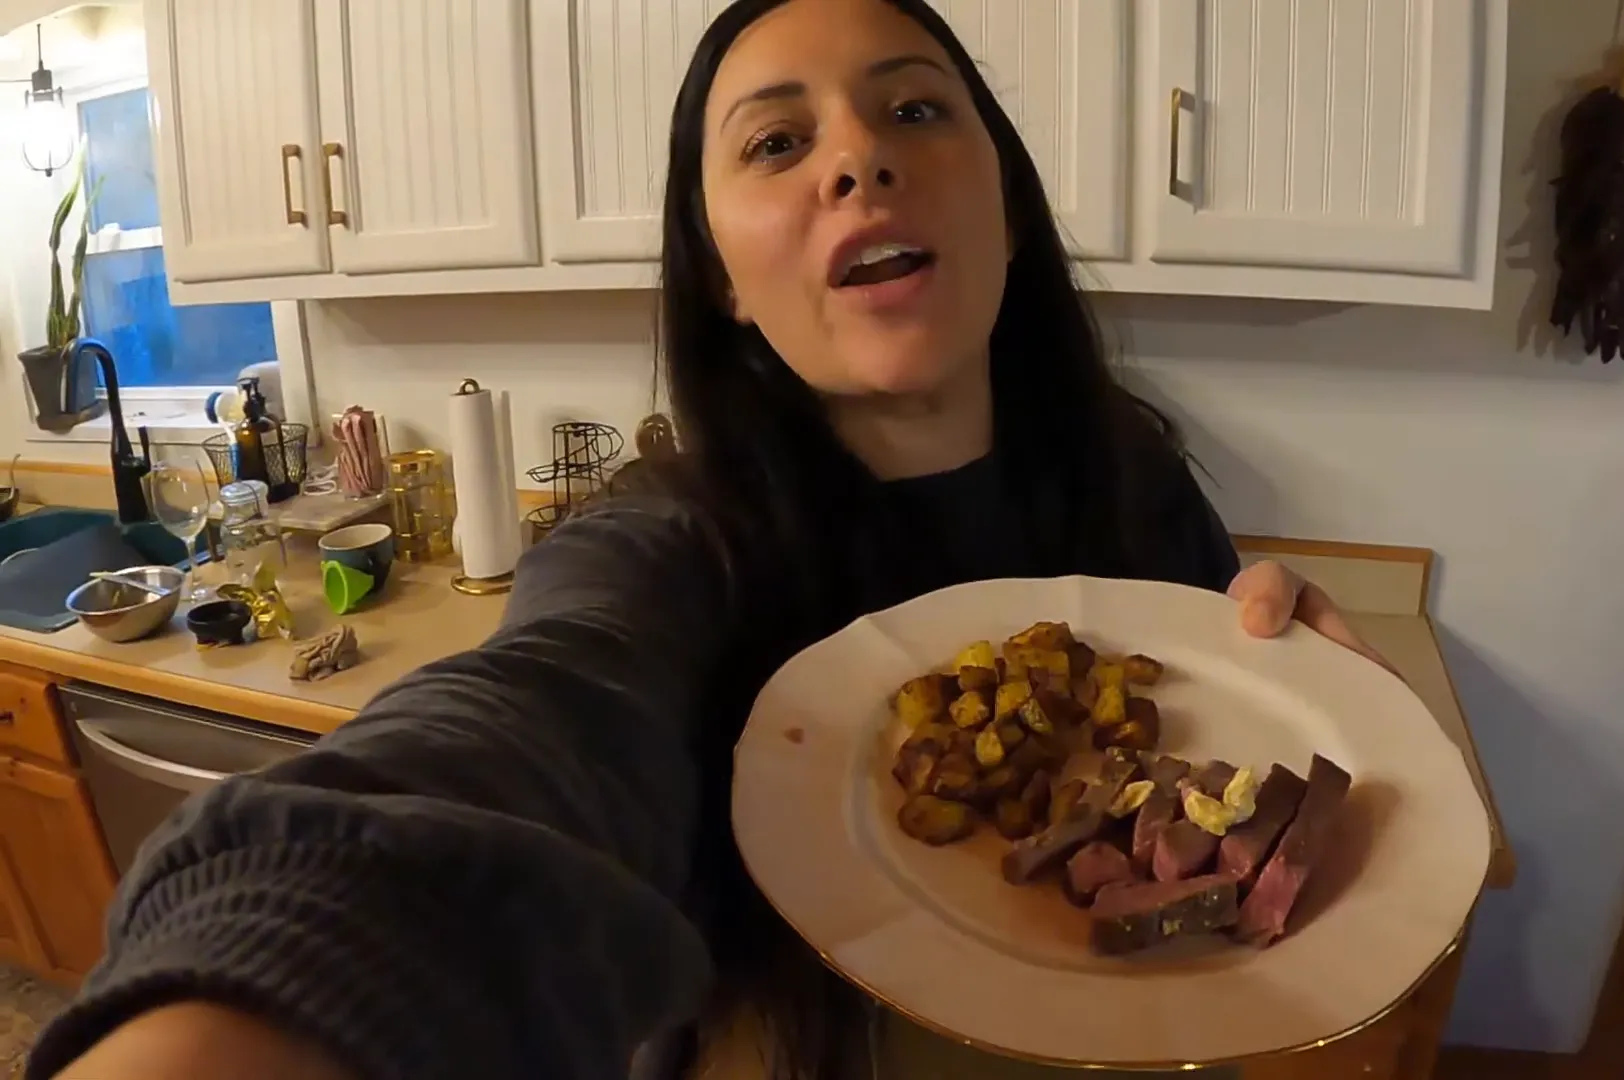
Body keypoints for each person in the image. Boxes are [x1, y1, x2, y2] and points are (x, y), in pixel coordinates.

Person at [28, 1, 1391, 1078]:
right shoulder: (668, 546)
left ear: (1010, 212)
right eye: (777, 143)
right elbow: (528, 720)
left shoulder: (1132, 468)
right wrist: (262, 981)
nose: (860, 154)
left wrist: (1292, 677)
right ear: (725, 279)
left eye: (915, 106)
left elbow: (1219, 790)